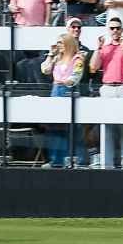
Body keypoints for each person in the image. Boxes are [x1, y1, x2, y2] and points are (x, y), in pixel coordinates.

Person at [88, 18, 123, 169]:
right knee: (107, 124)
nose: (115, 31)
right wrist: (98, 48)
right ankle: (107, 160)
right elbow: (93, 66)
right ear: (109, 30)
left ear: (122, 30)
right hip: (108, 87)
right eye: (112, 28)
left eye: (117, 28)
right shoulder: (105, 47)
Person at [40, 33, 86, 167]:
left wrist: (63, 81)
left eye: (60, 42)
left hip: (68, 92)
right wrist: (50, 54)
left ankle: (73, 158)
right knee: (56, 128)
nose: (58, 45)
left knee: (71, 128)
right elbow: (45, 69)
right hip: (56, 92)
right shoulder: (57, 59)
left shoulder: (78, 59)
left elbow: (76, 76)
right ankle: (56, 160)